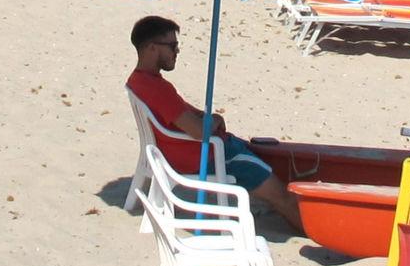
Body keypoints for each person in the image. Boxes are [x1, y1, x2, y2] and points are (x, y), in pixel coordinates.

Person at [125, 15, 302, 228]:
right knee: (283, 196)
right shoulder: (157, 90)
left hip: (200, 150)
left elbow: (186, 114)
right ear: (152, 48)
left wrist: (212, 119)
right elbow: (199, 132)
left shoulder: (142, 81)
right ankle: (314, 232)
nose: (177, 51)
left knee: (266, 158)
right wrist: (214, 122)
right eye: (172, 45)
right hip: (207, 155)